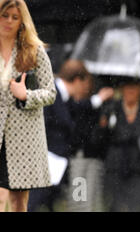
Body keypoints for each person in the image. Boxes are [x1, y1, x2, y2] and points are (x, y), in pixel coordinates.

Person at [0, 0, 57, 212]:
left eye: (15, 17)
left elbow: (50, 93)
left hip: (25, 135)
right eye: (5, 15)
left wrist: (26, 95)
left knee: (19, 201)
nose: (9, 21)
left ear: (22, 21)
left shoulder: (35, 51)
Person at [27, 59, 114, 211]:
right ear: (77, 80)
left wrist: (98, 99)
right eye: (85, 83)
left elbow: (76, 107)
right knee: (34, 204)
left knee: (48, 204)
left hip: (57, 165)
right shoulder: (51, 94)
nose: (86, 88)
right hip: (45, 164)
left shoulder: (63, 98)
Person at [94, 79, 140, 211]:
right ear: (122, 89)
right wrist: (103, 126)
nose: (131, 90)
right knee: (114, 205)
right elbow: (99, 139)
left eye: (135, 86)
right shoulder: (111, 108)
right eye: (128, 86)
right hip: (114, 165)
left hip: (137, 168)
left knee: (135, 205)